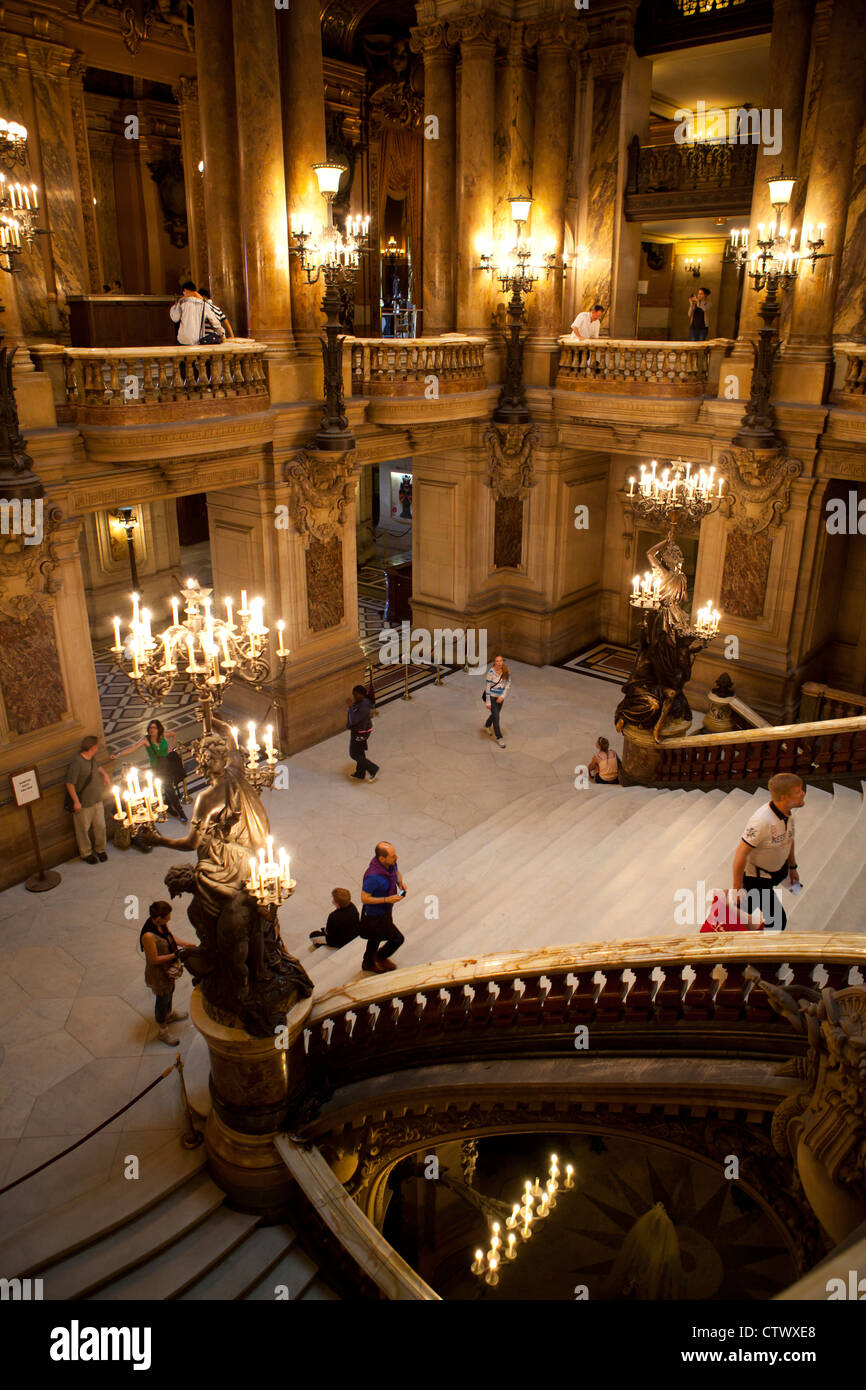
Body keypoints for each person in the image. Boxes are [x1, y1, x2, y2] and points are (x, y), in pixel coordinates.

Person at [731, 773, 805, 931]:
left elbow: (789, 839)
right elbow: (741, 853)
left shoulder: (788, 813)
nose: (803, 793)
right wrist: (737, 888)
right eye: (798, 791)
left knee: (744, 909)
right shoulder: (761, 821)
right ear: (784, 797)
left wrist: (792, 868)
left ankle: (735, 915)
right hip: (757, 880)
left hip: (777, 872)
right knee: (778, 921)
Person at [139, 900, 196, 1046]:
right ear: (158, 918)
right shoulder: (148, 936)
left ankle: (169, 1014)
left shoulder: (161, 924)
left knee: (170, 990)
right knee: (162, 999)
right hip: (158, 972)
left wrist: (184, 944)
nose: (168, 920)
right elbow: (154, 959)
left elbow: (170, 937)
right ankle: (162, 1030)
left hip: (167, 968)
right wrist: (176, 954)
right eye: (167, 918)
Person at [114, 719, 186, 822]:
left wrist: (171, 748)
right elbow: (133, 748)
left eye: (154, 728)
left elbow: (174, 734)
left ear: (158, 729)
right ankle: (181, 812)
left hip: (168, 766)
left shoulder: (164, 735)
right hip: (157, 768)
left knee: (168, 787)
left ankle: (169, 806)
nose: (151, 730)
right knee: (169, 788)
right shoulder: (146, 740)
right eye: (150, 728)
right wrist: (118, 754)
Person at [359, 842, 405, 973]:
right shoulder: (373, 877)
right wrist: (387, 899)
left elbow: (396, 873)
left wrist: (400, 883)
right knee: (397, 939)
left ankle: (368, 962)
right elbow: (364, 898)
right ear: (381, 859)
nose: (396, 858)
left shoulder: (390, 864)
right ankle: (380, 957)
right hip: (375, 915)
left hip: (385, 910)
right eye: (392, 856)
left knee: (375, 938)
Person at [65, 735, 112, 864]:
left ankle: (100, 849)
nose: (98, 748)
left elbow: (97, 766)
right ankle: (86, 853)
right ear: (92, 747)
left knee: (100, 826)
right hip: (84, 804)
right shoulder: (77, 762)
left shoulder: (91, 758)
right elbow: (69, 783)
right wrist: (76, 801)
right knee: (83, 830)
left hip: (97, 800)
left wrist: (105, 775)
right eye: (96, 746)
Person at [169, 281, 225, 346]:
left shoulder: (182, 302)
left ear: (185, 290)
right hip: (197, 340)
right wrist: (222, 334)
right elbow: (214, 322)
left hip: (183, 339)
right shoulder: (204, 303)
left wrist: (174, 307)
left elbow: (175, 318)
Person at [347, 683, 379, 782]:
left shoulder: (364, 707)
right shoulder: (365, 702)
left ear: (361, 694)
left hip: (359, 733)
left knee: (354, 754)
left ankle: (373, 768)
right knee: (360, 752)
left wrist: (350, 708)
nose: (354, 697)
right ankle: (360, 773)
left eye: (355, 695)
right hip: (364, 731)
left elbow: (354, 720)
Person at [482, 654, 511, 748]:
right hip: (491, 697)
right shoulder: (490, 673)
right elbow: (487, 688)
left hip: (500, 698)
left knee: (495, 713)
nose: (499, 663)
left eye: (501, 661)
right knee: (497, 717)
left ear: (503, 662)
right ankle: (499, 737)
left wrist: (502, 696)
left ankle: (487, 725)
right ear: (494, 662)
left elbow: (507, 684)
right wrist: (488, 702)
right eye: (497, 661)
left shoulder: (506, 670)